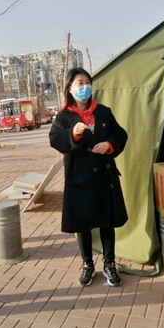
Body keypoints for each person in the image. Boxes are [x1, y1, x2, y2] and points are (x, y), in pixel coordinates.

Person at [49, 68, 128, 287]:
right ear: (70, 88)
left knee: (106, 222)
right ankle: (87, 264)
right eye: (79, 83)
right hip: (79, 177)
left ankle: (109, 264)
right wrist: (73, 133)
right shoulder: (64, 116)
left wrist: (108, 145)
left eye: (87, 82)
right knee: (82, 224)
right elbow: (55, 140)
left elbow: (120, 134)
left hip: (104, 175)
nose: (84, 87)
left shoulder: (103, 112)